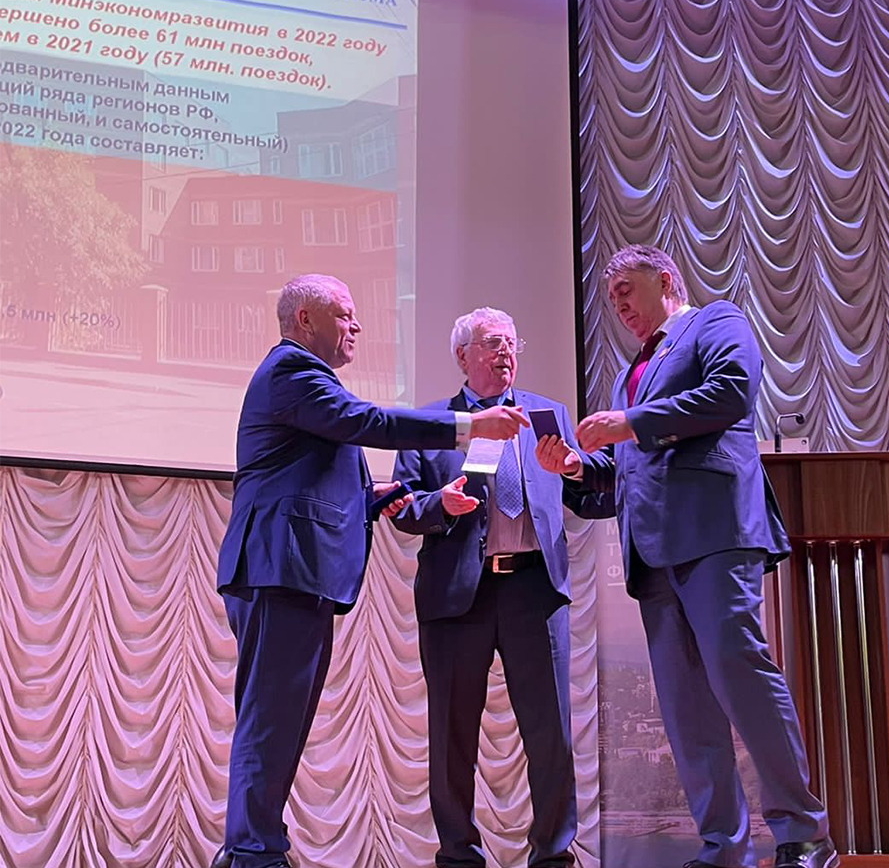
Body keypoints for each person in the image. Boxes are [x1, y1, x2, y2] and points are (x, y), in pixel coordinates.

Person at [211, 276, 528, 868]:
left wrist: (373, 497)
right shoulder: (292, 371)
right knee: (270, 724)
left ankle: (255, 848)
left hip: (297, 574)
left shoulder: (308, 380)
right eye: (345, 314)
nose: (357, 325)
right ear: (305, 320)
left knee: (283, 725)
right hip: (281, 570)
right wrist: (469, 427)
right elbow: (370, 423)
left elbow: (305, 475)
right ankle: (252, 853)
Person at [536, 247, 837, 868]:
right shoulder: (629, 374)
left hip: (714, 533)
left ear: (666, 279)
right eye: (611, 296)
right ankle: (723, 847)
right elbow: (622, 472)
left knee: (740, 675)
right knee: (685, 708)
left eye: (626, 287)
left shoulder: (715, 321)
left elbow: (730, 394)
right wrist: (576, 467)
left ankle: (805, 834)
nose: (617, 303)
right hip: (653, 555)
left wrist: (630, 423)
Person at [390, 307, 587, 868]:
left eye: (511, 343)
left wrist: (575, 466)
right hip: (458, 598)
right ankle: (458, 856)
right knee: (452, 740)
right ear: (463, 356)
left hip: (534, 591)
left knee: (551, 735)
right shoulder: (432, 423)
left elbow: (583, 492)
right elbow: (404, 506)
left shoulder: (548, 416)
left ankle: (553, 856)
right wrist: (439, 504)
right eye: (492, 343)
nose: (505, 352)